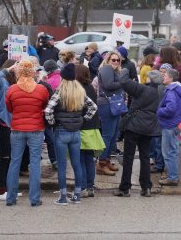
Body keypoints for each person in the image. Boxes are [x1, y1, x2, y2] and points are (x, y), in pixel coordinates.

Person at [45, 63, 98, 205]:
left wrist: (52, 123)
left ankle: (63, 197)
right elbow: (93, 107)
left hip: (61, 131)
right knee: (77, 164)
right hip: (76, 132)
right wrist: (83, 119)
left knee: (62, 165)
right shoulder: (80, 91)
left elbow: (48, 110)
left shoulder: (59, 91)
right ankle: (77, 195)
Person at [5, 60, 49, 206]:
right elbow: (44, 106)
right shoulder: (41, 89)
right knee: (35, 162)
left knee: (15, 162)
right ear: (32, 72)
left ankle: (10, 198)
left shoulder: (11, 89)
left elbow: (10, 108)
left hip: (17, 128)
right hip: (36, 128)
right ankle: (34, 199)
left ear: (18, 72)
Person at [114, 69, 162, 197]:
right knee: (145, 157)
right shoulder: (160, 91)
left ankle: (125, 188)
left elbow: (123, 81)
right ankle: (146, 187)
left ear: (149, 79)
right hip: (149, 127)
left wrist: (125, 69)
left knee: (128, 157)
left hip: (134, 126)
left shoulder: (142, 89)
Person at [0, 59, 23, 201]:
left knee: (12, 158)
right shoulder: (2, 81)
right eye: (16, 67)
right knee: (4, 158)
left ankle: (10, 188)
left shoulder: (16, 82)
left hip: (16, 124)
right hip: (4, 124)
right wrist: (7, 70)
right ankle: (1, 190)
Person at [75, 65, 106, 198]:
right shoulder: (91, 87)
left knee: (80, 159)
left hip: (82, 128)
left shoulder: (78, 88)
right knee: (89, 159)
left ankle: (82, 187)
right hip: (93, 128)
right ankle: (90, 186)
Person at [96, 51, 123, 176]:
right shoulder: (106, 68)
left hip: (113, 104)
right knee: (107, 135)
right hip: (107, 104)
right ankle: (101, 163)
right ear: (108, 60)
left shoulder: (114, 71)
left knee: (113, 135)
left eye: (118, 60)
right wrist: (123, 82)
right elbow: (108, 85)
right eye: (113, 60)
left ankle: (106, 161)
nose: (116, 62)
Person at [157, 68, 181, 186]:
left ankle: (172, 177)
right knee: (173, 150)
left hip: (169, 124)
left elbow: (170, 108)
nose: (163, 76)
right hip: (176, 123)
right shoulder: (179, 89)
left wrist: (159, 110)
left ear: (171, 78)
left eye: (165, 75)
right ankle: (172, 174)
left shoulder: (171, 91)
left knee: (168, 152)